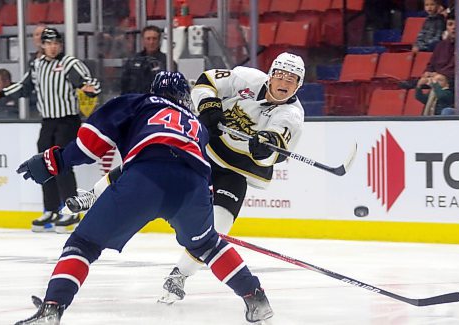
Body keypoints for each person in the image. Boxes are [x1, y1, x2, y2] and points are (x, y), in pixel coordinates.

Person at [14, 71, 274, 325]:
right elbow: (202, 172)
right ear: (184, 98)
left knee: (83, 244)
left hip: (145, 177)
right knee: (208, 246)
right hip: (193, 187)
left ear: (153, 91)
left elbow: (89, 145)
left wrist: (53, 161)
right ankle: (256, 299)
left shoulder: (138, 102)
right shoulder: (196, 125)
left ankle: (53, 308)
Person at [63, 52, 306, 304]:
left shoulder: (292, 115)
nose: (285, 82)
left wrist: (265, 147)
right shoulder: (247, 78)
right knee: (148, 165)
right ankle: (92, 195)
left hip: (236, 169)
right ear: (271, 74)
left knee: (218, 227)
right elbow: (206, 81)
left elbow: (277, 148)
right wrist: (209, 105)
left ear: (299, 84)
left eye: (292, 78)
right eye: (281, 74)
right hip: (205, 149)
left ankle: (179, 275)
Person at [0, 27, 101, 234]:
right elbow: (23, 86)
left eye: (56, 43)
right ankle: (51, 209)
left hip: (67, 121)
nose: (53, 47)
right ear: (42, 45)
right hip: (48, 121)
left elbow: (88, 83)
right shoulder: (36, 65)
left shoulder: (68, 63)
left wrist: (91, 90)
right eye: (48, 43)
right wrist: (0, 94)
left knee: (62, 164)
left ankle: (71, 210)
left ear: (60, 45)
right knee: (44, 164)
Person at [120, 25, 167, 95]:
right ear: (143, 40)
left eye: (154, 39)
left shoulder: (167, 61)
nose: (151, 42)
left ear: (159, 40)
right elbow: (124, 86)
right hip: (136, 102)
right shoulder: (133, 61)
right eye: (148, 39)